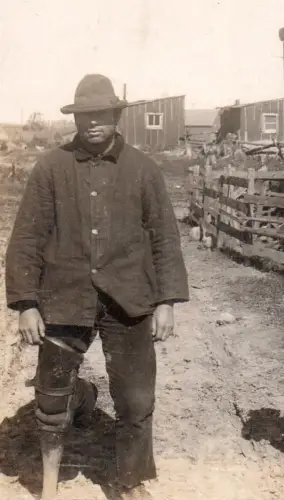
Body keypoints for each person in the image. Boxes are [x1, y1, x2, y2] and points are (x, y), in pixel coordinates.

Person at [5, 74, 189, 500]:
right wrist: (26, 303)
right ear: (76, 117)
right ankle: (49, 484)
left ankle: (130, 481)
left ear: (116, 115)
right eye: (84, 115)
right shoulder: (51, 167)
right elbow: (27, 237)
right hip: (65, 299)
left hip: (129, 301)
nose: (92, 123)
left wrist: (167, 301)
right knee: (51, 397)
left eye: (100, 115)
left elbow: (164, 236)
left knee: (136, 399)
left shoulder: (143, 169)